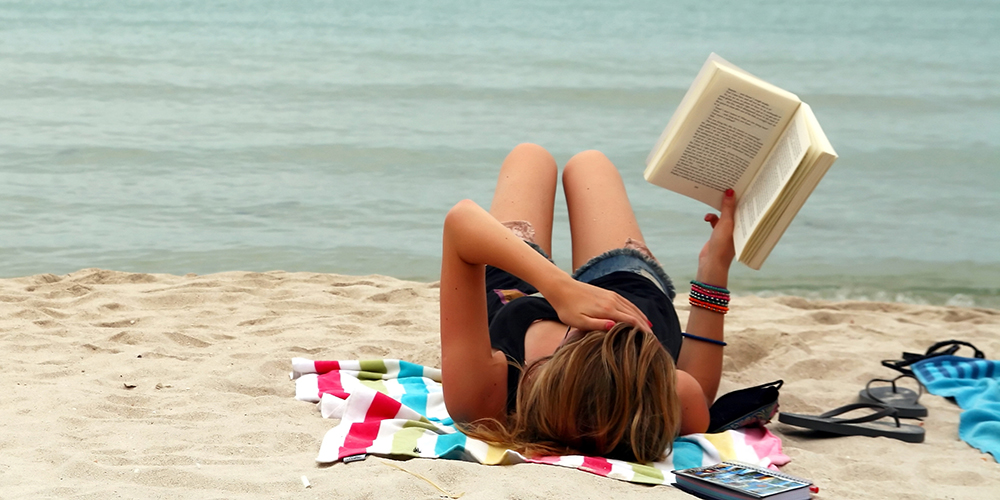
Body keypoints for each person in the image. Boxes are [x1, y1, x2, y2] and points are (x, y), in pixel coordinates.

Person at [439, 143, 736, 464]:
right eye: (629, 335)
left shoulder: (483, 401)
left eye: (589, 329)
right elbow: (700, 397)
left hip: (511, 287)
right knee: (590, 163)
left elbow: (461, 223)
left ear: (547, 372)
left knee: (529, 156)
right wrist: (714, 268)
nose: (596, 314)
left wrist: (559, 287)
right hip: (630, 285)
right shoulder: (660, 400)